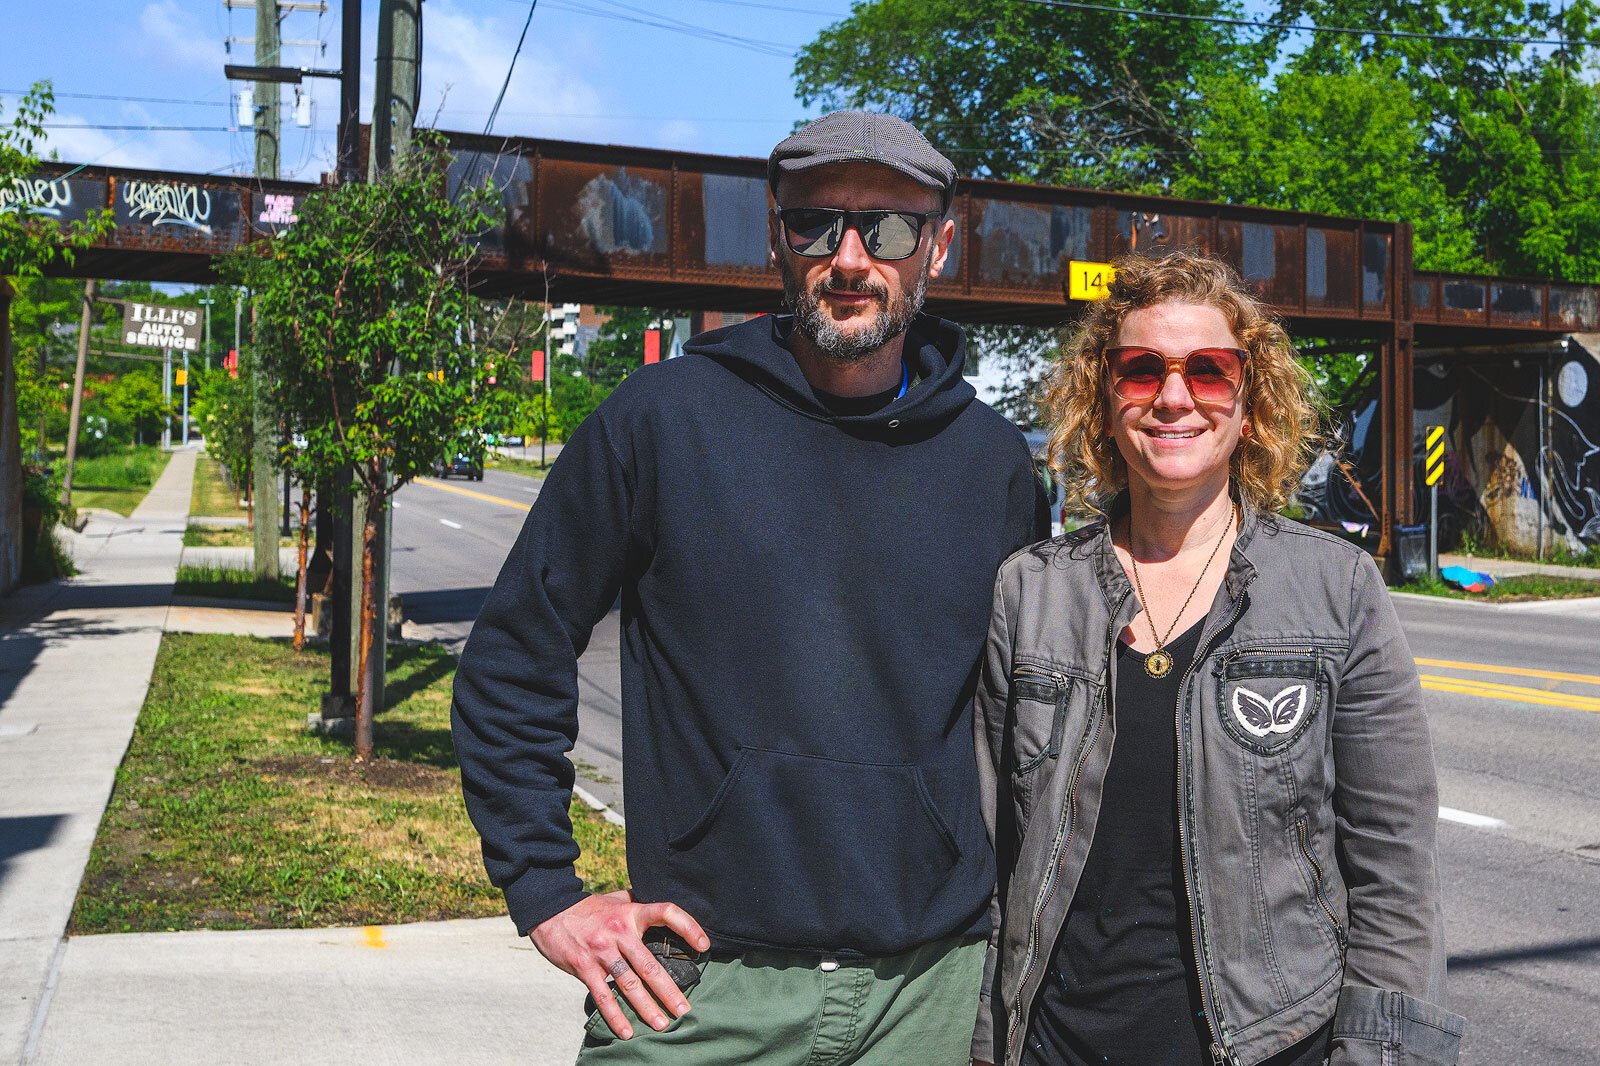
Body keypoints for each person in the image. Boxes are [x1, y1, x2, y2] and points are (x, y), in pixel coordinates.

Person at [452, 110, 1046, 1065]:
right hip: (700, 992)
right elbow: (515, 653)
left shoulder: (996, 467)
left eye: (888, 229)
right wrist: (545, 890)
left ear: (938, 244)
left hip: (932, 995)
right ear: (777, 235)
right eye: (818, 224)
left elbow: (1025, 725)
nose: (850, 257)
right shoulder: (660, 421)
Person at [971, 252, 1465, 1066]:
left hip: (1276, 1043)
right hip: (1055, 1045)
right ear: (1102, 397)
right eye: (1140, 370)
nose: (1173, 397)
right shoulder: (1030, 594)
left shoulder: (1335, 589)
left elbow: (1394, 874)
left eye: (1208, 369)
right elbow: (991, 866)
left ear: (1250, 400)